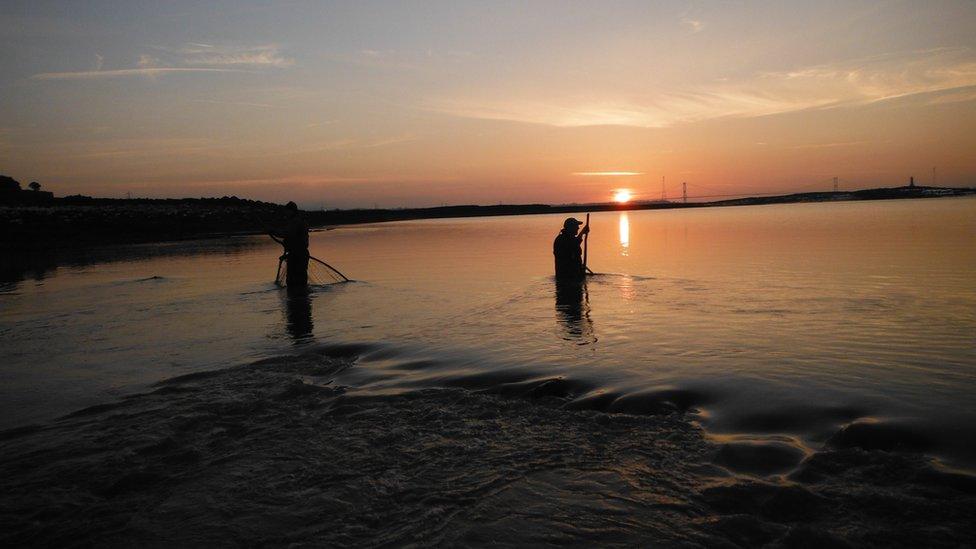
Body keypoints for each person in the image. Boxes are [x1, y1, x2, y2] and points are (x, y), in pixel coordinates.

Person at [270, 201, 310, 291]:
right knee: (298, 280)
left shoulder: (296, 222)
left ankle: (298, 301)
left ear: (291, 211)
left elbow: (286, 234)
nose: (285, 213)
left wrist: (272, 231)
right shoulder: (296, 221)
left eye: (287, 211)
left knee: (296, 281)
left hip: (298, 256)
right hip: (298, 255)